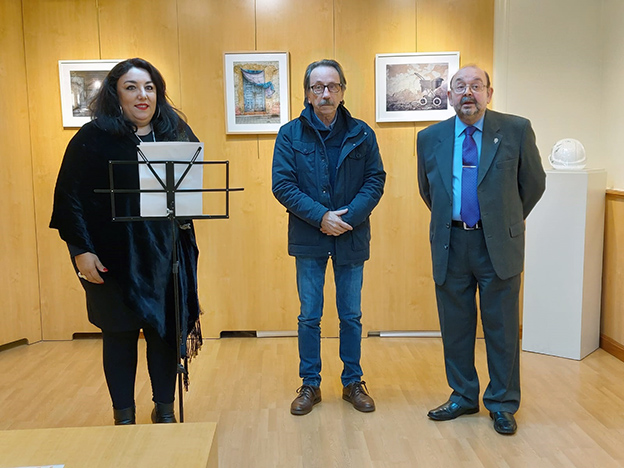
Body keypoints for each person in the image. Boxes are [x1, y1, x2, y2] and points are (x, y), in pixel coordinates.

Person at [50, 58, 202, 425]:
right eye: (132, 87)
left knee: (163, 333)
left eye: (149, 87)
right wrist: (80, 251)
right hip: (111, 259)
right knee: (119, 335)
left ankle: (164, 409)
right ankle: (124, 415)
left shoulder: (175, 131)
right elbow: (69, 198)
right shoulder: (92, 137)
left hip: (165, 257)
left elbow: (189, 193)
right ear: (115, 93)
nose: (142, 95)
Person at [416, 65, 546, 435]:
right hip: (451, 241)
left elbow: (533, 183)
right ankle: (463, 396)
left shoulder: (515, 130)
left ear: (490, 92)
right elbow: (429, 191)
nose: (468, 92)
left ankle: (503, 403)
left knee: (501, 327)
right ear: (449, 94)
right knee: (455, 325)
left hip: (497, 245)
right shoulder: (430, 138)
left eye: (476, 85)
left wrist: (502, 219)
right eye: (460, 86)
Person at [272, 59, 386, 415]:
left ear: (342, 91)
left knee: (350, 314)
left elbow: (375, 179)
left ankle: (353, 381)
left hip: (351, 234)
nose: (325, 93)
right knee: (310, 315)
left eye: (332, 86)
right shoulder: (290, 134)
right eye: (318, 87)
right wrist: (320, 216)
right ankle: (310, 384)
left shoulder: (362, 133)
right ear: (307, 93)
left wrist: (346, 217)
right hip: (309, 236)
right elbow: (282, 185)